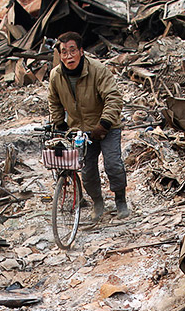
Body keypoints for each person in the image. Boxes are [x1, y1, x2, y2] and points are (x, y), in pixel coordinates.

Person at [47, 31, 128, 221]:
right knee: (87, 170)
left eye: (72, 51)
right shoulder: (56, 76)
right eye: (64, 52)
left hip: (106, 126)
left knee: (113, 164)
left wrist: (104, 124)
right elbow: (54, 101)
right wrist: (59, 124)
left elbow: (113, 97)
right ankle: (97, 202)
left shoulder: (97, 70)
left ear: (81, 51)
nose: (68, 56)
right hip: (80, 131)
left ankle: (120, 200)